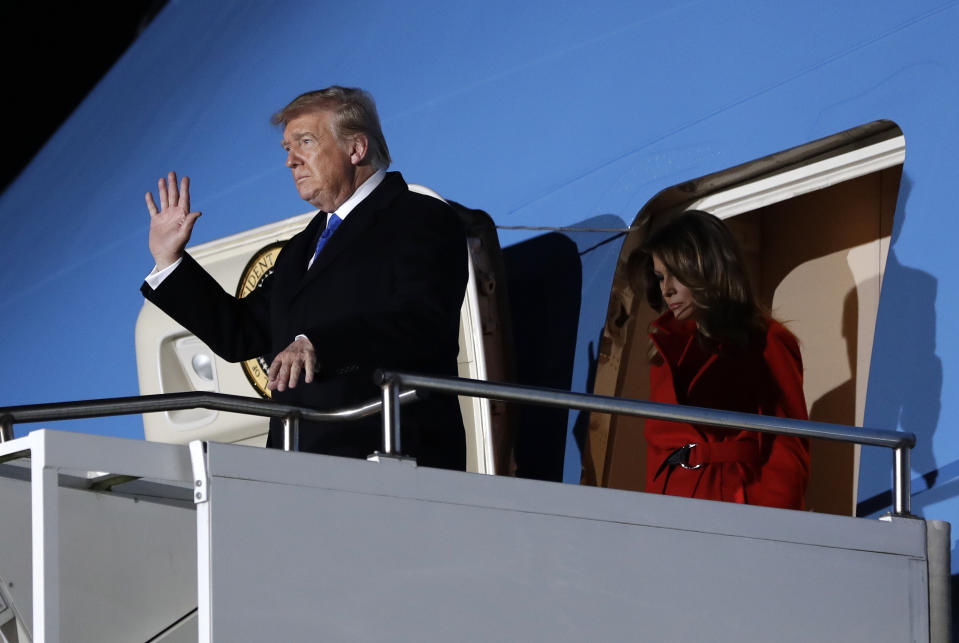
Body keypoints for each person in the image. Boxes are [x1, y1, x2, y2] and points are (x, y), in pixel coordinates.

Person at [141, 86, 468, 470]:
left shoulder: (420, 218)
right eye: (286, 149)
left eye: (305, 142)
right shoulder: (301, 248)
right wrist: (170, 260)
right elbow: (241, 333)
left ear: (356, 149)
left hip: (388, 454)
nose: (290, 161)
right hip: (298, 465)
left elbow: (422, 322)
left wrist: (320, 345)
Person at [635, 210, 809, 509]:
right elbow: (659, 451)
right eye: (661, 277)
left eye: (677, 274)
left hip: (735, 504)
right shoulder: (664, 352)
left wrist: (777, 525)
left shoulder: (767, 340)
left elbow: (788, 446)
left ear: (707, 270)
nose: (666, 289)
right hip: (672, 505)